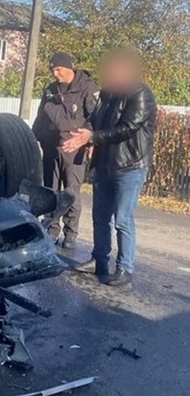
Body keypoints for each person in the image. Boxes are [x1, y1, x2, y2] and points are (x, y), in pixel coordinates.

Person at [62, 48, 157, 287]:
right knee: (100, 217)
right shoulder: (107, 93)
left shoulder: (141, 94)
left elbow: (128, 128)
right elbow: (94, 120)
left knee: (122, 219)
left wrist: (92, 137)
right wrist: (84, 132)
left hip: (130, 166)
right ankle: (99, 260)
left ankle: (125, 268)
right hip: (104, 165)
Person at [32, 52, 99, 249]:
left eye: (58, 69)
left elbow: (95, 118)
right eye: (53, 70)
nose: (55, 73)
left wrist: (89, 139)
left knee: (71, 192)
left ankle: (71, 233)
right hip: (51, 147)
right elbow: (40, 117)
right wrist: (34, 138)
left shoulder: (87, 87)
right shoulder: (50, 90)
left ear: (68, 67)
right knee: (51, 191)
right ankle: (51, 229)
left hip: (74, 149)